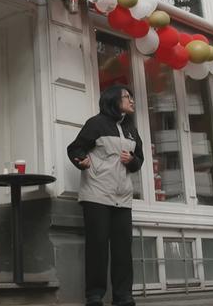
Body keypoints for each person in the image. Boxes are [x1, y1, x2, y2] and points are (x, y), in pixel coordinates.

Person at [67, 85, 143, 306]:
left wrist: (132, 161)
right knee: (97, 247)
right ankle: (94, 295)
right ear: (113, 100)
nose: (131, 100)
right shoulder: (96, 124)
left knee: (122, 250)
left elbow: (139, 159)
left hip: (123, 196)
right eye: (127, 97)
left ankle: (123, 296)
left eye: (131, 96)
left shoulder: (131, 128)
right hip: (97, 193)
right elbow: (75, 149)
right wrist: (81, 160)